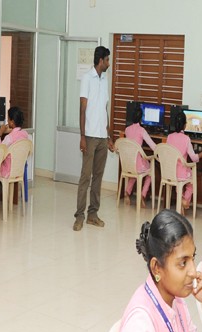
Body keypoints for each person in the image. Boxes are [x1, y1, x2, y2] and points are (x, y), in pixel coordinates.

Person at [74, 45, 114, 231]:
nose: (109, 63)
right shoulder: (87, 79)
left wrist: (109, 136)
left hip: (101, 136)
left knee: (98, 177)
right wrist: (82, 136)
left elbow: (104, 109)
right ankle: (79, 216)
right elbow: (82, 109)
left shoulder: (104, 79)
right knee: (85, 177)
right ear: (101, 61)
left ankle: (93, 214)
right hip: (89, 136)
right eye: (107, 60)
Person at [165, 109, 202, 211]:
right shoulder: (186, 139)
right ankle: (184, 200)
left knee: (179, 180)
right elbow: (194, 158)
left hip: (170, 172)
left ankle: (180, 199)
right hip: (181, 174)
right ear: (185, 125)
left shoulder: (169, 137)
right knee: (191, 182)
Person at [123, 106, 157, 207]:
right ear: (141, 119)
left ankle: (127, 192)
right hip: (138, 164)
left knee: (134, 173)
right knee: (150, 171)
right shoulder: (142, 130)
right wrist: (162, 148)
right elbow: (153, 146)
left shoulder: (127, 129)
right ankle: (143, 194)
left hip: (128, 163)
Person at [0, 106, 29, 178]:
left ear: (12, 122)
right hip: (19, 170)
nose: (7, 121)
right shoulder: (25, 134)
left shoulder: (9, 138)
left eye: (8, 119)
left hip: (8, 172)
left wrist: (0, 132)